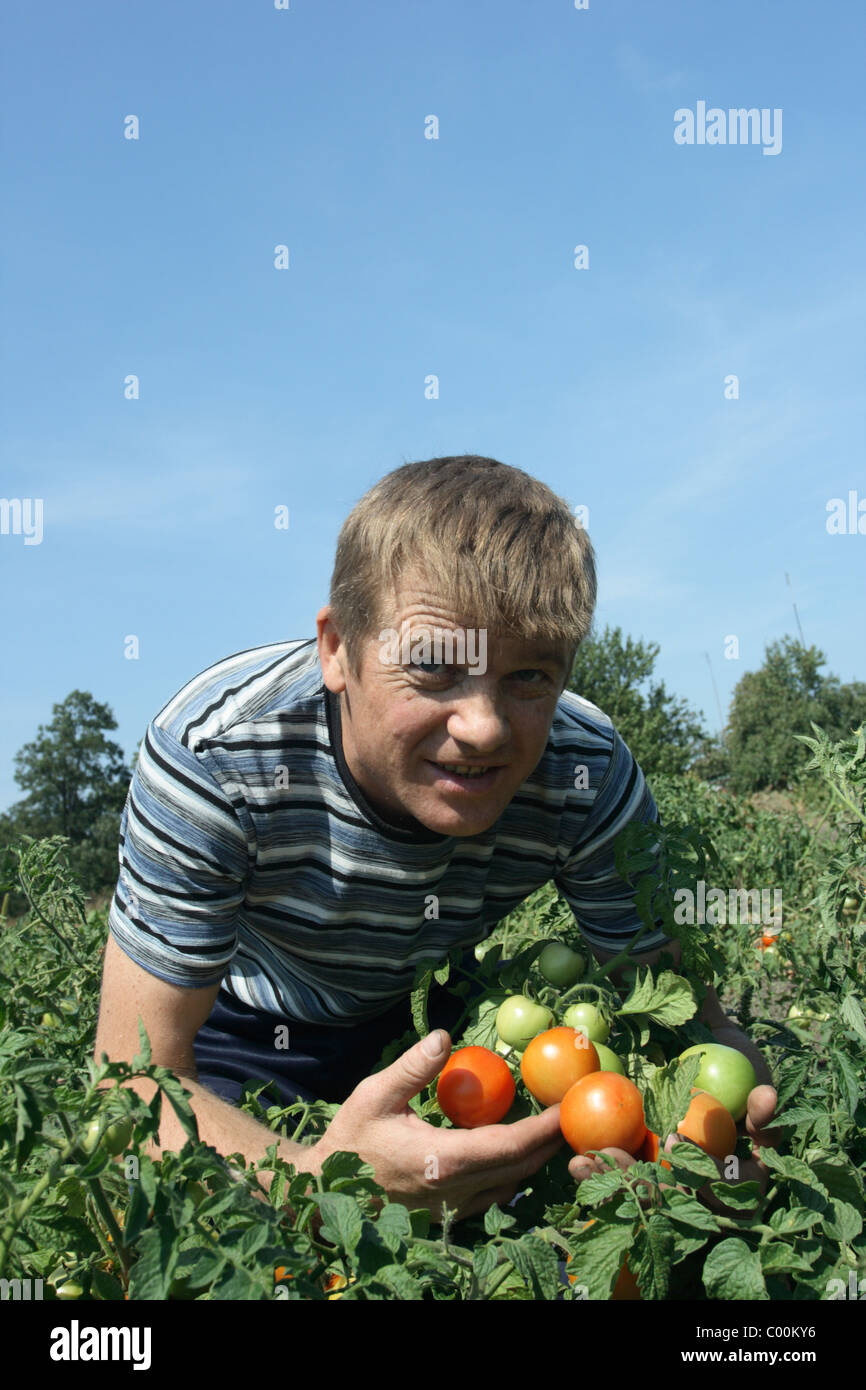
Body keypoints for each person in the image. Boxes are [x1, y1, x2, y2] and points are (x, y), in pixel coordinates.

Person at [94, 455, 777, 1222]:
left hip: (446, 1024)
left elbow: (673, 1003)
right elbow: (132, 1079)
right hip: (252, 1029)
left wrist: (725, 1134)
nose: (483, 729)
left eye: (529, 678)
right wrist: (321, 1188)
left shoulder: (586, 769)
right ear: (337, 649)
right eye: (434, 669)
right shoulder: (216, 761)